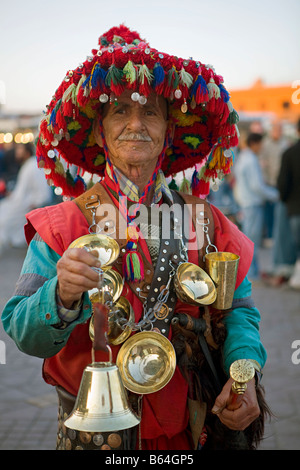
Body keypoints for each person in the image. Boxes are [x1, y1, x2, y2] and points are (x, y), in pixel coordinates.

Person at [2, 25, 269, 451]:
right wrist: (60, 295)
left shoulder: (206, 220)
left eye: (150, 112)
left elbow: (239, 310)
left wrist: (244, 371)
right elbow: (21, 330)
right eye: (119, 111)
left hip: (193, 432)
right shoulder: (64, 225)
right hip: (98, 438)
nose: (135, 124)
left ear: (169, 128)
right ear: (97, 131)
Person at [233, 133, 279, 280]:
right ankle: (251, 273)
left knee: (248, 238)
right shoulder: (251, 160)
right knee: (252, 240)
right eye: (261, 144)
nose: (262, 147)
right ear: (255, 144)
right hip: (252, 203)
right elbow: (257, 186)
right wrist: (275, 195)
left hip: (246, 202)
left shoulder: (244, 158)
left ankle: (252, 271)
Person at [0, 142, 52, 253]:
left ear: (27, 152)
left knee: (3, 219)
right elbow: (23, 190)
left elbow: (43, 192)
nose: (17, 152)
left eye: (20, 150)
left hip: (25, 205)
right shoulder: (28, 165)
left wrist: (35, 203)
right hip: (19, 203)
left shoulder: (33, 166)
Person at [277, 118, 300, 289]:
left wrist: (286, 200)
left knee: (295, 245)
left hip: (295, 208)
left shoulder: (289, 153)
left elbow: (282, 184)